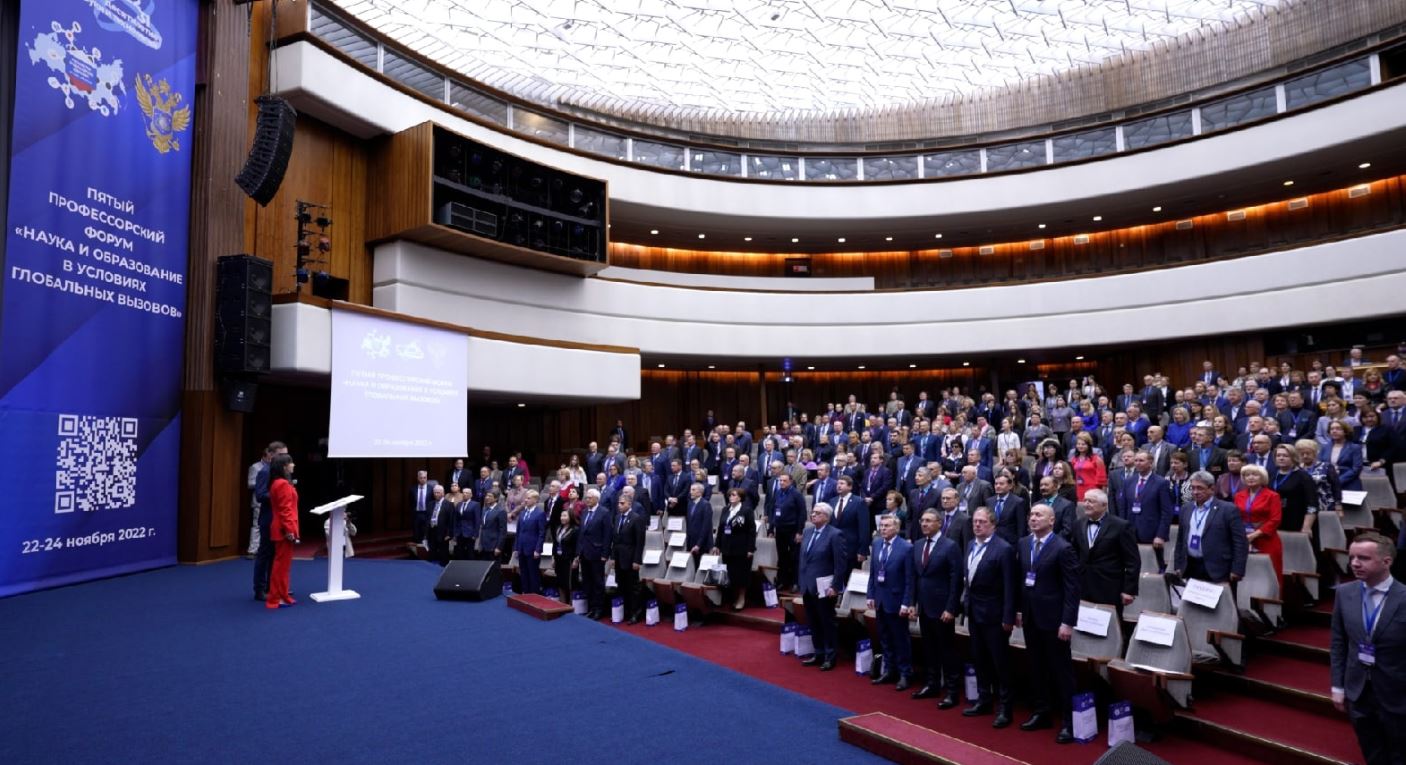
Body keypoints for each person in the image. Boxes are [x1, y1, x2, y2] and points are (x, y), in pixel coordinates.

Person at [1330, 532, 1406, 765]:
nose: (1354, 563)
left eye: (1363, 558)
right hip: (1358, 692)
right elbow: (1338, 642)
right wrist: (1337, 685)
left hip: (1397, 693)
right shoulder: (1344, 593)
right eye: (1352, 557)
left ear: (1386, 561)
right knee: (1372, 752)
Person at [1017, 504, 1080, 744]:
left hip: (1054, 620)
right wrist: (1019, 610)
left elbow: (1072, 589)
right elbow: (1022, 580)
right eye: (1031, 515)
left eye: (1039, 515)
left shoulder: (1063, 548)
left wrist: (1067, 622)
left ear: (1052, 520)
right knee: (1036, 667)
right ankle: (1042, 711)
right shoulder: (1024, 544)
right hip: (1031, 617)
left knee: (1061, 671)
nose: (1033, 518)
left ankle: (1069, 721)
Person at [962, 507, 1018, 728]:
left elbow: (1010, 586)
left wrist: (1008, 617)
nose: (977, 525)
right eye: (975, 521)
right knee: (979, 658)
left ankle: (1005, 708)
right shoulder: (970, 544)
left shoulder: (1003, 549)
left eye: (982, 522)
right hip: (975, 612)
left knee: (1000, 663)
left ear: (993, 525)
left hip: (995, 615)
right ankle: (984, 699)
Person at [909, 509, 964, 707]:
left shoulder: (950, 546)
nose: (924, 524)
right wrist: (912, 603)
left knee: (947, 650)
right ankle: (931, 684)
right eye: (922, 520)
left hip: (942, 608)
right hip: (924, 606)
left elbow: (956, 580)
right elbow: (914, 577)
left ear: (939, 523)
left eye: (929, 521)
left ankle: (952, 691)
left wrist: (951, 608)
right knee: (929, 648)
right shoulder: (918, 545)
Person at [1072, 489, 1139, 621]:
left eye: (1091, 501)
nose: (1086, 504)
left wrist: (1129, 590)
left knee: (1110, 625)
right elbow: (1074, 554)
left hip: (1109, 587)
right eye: (1085, 500)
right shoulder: (1078, 524)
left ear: (1104, 505)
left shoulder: (1121, 526)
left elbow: (1133, 561)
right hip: (1083, 585)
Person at [1173, 471, 1248, 585]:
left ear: (1212, 489)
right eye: (1193, 488)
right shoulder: (1186, 509)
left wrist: (1237, 569)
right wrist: (1178, 565)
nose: (1195, 492)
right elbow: (1180, 540)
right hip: (1190, 567)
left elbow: (1240, 542)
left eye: (1200, 488)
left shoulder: (1228, 509)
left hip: (1218, 569)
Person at [867, 515, 915, 689]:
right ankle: (889, 670)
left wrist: (906, 603)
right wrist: (870, 595)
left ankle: (905, 673)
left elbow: (909, 579)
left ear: (896, 528)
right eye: (881, 525)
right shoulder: (877, 543)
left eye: (887, 526)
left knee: (900, 639)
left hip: (897, 600)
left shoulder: (906, 548)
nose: (883, 529)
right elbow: (873, 572)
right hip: (880, 599)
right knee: (885, 638)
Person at [798, 503, 848, 670]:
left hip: (825, 587)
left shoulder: (835, 534)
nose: (813, 515)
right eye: (812, 512)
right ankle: (818, 652)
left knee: (827, 621)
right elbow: (803, 559)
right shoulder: (807, 532)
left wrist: (835, 586)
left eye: (817, 513)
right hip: (807, 585)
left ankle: (830, 655)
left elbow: (840, 564)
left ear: (826, 517)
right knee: (812, 621)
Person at [1236, 464, 1284, 588]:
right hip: (1244, 540)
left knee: (1270, 576)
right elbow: (1235, 517)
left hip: (1266, 540)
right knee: (1247, 576)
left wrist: (1254, 535)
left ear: (1262, 477)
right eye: (1247, 475)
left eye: (1254, 475)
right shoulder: (1238, 495)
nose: (1250, 477)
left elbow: (1275, 520)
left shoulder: (1272, 496)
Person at [1114, 451, 1174, 548]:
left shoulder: (1161, 483)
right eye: (1136, 460)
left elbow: (1166, 512)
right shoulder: (1128, 482)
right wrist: (1122, 530)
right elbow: (1123, 508)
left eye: (1141, 460)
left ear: (1150, 463)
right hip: (1130, 532)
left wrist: (1160, 535)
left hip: (1152, 534)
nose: (1138, 463)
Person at [252, 441, 287, 602]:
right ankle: (259, 589)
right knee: (264, 554)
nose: (285, 458)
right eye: (281, 454)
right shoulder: (265, 472)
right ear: (271, 454)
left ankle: (272, 587)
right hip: (268, 518)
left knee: (276, 554)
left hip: (279, 518)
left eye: (286, 454)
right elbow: (260, 495)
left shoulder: (280, 472)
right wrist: (279, 494)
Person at [713, 487, 757, 610]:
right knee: (730, 574)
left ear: (740, 497)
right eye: (730, 495)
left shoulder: (746, 510)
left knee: (741, 575)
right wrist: (717, 545)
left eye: (734, 495)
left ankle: (741, 598)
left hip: (741, 548)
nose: (731, 497)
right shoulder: (725, 509)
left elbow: (751, 531)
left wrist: (750, 549)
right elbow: (721, 528)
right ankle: (731, 597)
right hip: (727, 547)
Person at [266, 453, 299, 610]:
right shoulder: (283, 484)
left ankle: (281, 595)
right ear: (284, 467)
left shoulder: (277, 483)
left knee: (282, 565)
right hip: (283, 529)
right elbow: (285, 509)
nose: (293, 465)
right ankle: (276, 597)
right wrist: (289, 530)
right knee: (281, 566)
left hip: (281, 527)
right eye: (291, 463)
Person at [610, 494, 647, 623]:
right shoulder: (617, 517)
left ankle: (635, 613)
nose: (619, 506)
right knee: (621, 585)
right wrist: (613, 557)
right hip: (619, 557)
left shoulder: (636, 518)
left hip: (631, 558)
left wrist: (637, 560)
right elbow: (615, 540)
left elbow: (640, 542)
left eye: (622, 503)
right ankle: (625, 611)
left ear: (629, 504)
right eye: (618, 503)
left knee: (633, 587)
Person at [577, 488, 612, 619]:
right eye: (586, 497)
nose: (587, 500)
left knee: (598, 582)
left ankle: (599, 609)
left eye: (590, 498)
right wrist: (578, 552)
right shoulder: (585, 512)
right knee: (587, 581)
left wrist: (605, 554)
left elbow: (607, 535)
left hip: (597, 553)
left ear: (597, 499)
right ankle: (591, 607)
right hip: (584, 553)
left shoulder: (604, 512)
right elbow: (581, 534)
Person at [770, 472, 806, 591]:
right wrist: (771, 528)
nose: (781, 483)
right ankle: (782, 581)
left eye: (784, 481)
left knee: (794, 557)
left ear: (790, 481)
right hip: (780, 529)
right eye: (780, 480)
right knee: (782, 556)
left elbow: (802, 513)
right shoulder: (778, 492)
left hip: (793, 529)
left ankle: (795, 582)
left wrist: (799, 532)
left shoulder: (796, 494)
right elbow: (773, 510)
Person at [514, 490, 547, 594]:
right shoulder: (522, 513)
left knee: (533, 574)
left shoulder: (540, 513)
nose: (525, 500)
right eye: (526, 498)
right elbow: (518, 532)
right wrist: (516, 548)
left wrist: (538, 549)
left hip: (533, 549)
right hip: (522, 547)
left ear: (535, 500)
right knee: (523, 573)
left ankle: (534, 596)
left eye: (528, 498)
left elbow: (542, 533)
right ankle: (525, 593)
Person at [1321, 420, 1365, 491]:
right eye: (1332, 429)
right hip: (1329, 485)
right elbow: (1320, 466)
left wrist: (1338, 481)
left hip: (1350, 485)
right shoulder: (1325, 447)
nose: (1334, 431)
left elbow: (1356, 469)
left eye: (1338, 428)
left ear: (1345, 431)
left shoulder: (1354, 448)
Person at [1069, 433, 1106, 501]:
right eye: (1078, 444)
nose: (1080, 446)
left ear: (1089, 445)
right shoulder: (1074, 459)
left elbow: (1102, 478)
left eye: (1083, 444)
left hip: (1093, 489)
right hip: (1078, 489)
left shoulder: (1096, 459)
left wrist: (1102, 492)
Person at [553, 508, 579, 603]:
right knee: (560, 583)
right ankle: (561, 604)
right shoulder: (558, 528)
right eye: (561, 516)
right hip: (559, 559)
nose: (562, 518)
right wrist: (553, 558)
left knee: (570, 585)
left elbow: (578, 546)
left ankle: (571, 605)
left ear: (570, 517)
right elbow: (555, 544)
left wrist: (576, 559)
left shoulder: (575, 530)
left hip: (570, 560)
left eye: (564, 516)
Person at [683, 482, 713, 565]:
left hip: (702, 544)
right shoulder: (690, 504)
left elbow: (706, 527)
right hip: (691, 542)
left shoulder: (706, 505)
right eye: (690, 490)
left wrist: (698, 545)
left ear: (700, 492)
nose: (690, 492)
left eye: (693, 490)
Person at [477, 490, 508, 565]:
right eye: (486, 496)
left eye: (490, 496)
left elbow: (503, 531)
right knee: (484, 568)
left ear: (496, 498)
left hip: (494, 546)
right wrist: (480, 544)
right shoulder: (484, 509)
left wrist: (499, 547)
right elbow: (483, 528)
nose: (487, 497)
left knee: (494, 569)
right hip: (484, 546)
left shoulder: (501, 511)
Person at [427, 484, 455, 566]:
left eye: (438, 492)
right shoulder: (430, 504)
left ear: (443, 493)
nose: (436, 494)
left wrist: (449, 533)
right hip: (432, 530)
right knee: (432, 550)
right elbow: (427, 519)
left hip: (443, 532)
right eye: (435, 493)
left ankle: (443, 567)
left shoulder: (449, 504)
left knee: (443, 552)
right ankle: (430, 567)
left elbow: (451, 520)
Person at [453, 485, 481, 561]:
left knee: (470, 552)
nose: (464, 494)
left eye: (467, 493)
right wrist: (455, 533)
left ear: (471, 495)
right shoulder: (459, 504)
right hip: (459, 532)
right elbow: (456, 520)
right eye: (463, 493)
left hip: (470, 533)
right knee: (459, 552)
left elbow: (477, 520)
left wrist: (475, 534)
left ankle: (470, 566)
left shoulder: (475, 504)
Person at [410, 470, 437, 548]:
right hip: (417, 513)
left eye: (424, 478)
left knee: (426, 531)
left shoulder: (431, 489)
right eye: (421, 478)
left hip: (427, 513)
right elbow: (411, 502)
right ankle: (417, 549)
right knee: (416, 531)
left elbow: (434, 501)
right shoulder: (412, 489)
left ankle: (426, 548)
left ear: (426, 478)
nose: (423, 479)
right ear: (418, 478)